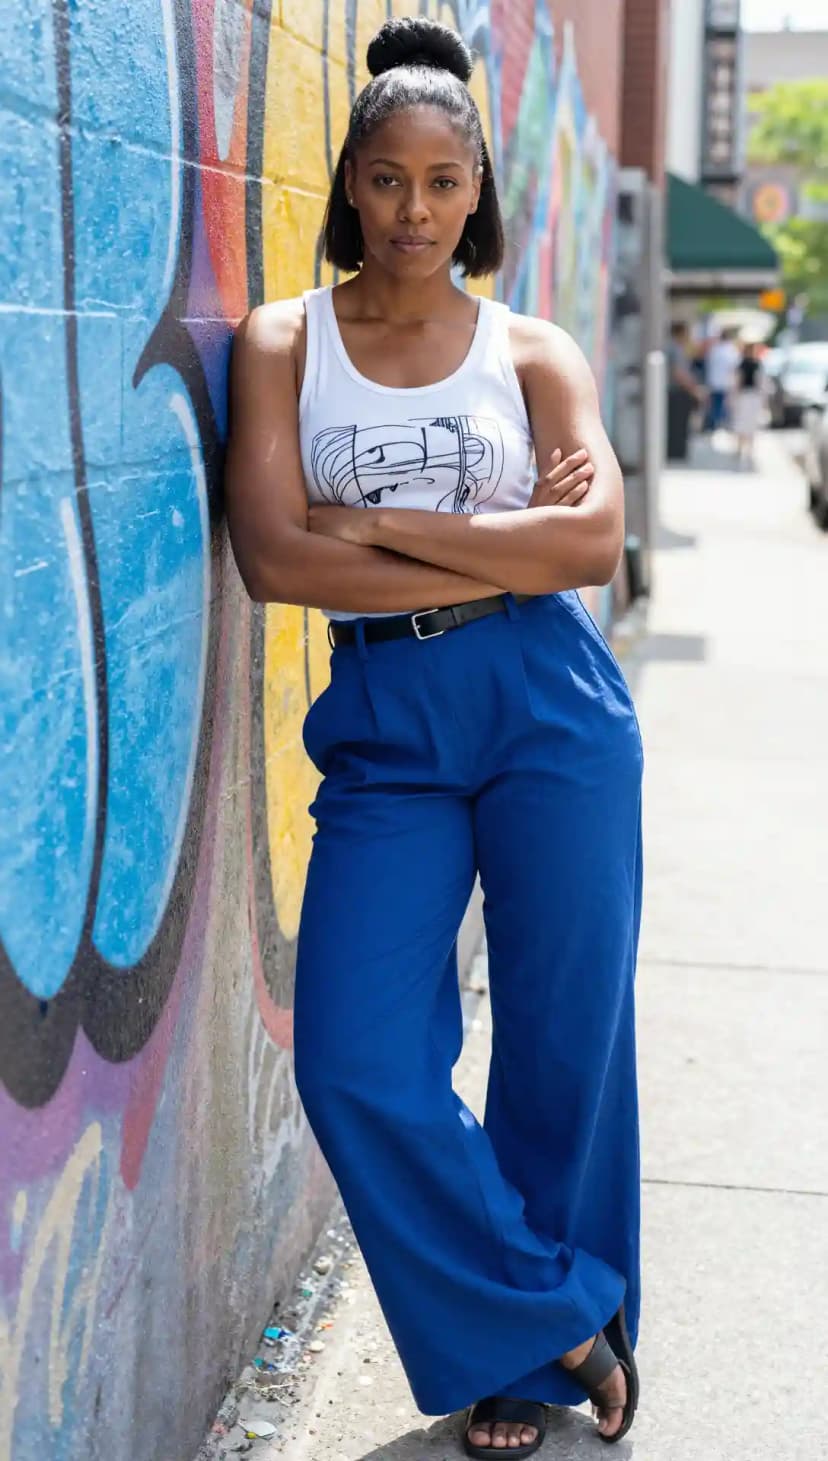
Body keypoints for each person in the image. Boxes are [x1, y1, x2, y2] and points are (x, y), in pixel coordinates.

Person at [225, 18, 642, 1458]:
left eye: (443, 182)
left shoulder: (530, 350)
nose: (415, 210)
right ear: (351, 181)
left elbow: (589, 543)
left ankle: (524, 1363)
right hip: (389, 720)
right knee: (353, 1057)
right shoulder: (285, 343)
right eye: (389, 180)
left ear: (477, 193)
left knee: (563, 1037)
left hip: (549, 704)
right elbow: (277, 558)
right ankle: (552, 1305)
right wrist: (493, 542)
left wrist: (381, 523)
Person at [667, 320, 704, 461]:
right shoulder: (675, 349)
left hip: (677, 391)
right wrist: (694, 389)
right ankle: (676, 453)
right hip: (677, 392)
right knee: (677, 427)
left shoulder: (675, 348)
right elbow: (679, 373)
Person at [730, 339, 765, 467]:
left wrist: (733, 397)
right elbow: (760, 383)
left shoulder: (742, 364)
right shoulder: (757, 364)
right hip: (753, 396)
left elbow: (737, 382)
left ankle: (740, 449)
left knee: (742, 422)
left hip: (744, 396)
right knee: (750, 424)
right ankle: (749, 451)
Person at [704, 327, 740, 431]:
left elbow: (709, 365)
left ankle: (715, 424)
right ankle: (721, 424)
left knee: (716, 405)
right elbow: (735, 367)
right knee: (725, 405)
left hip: (714, 382)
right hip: (726, 382)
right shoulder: (731, 350)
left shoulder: (715, 350)